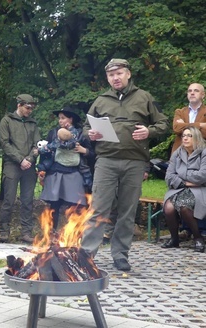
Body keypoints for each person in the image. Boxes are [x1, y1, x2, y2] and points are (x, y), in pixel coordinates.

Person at [82, 58, 169, 271]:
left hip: (135, 162)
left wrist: (150, 131)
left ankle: (120, 254)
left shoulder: (144, 97)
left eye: (119, 73)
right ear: (107, 78)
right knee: (98, 209)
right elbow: (85, 128)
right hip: (106, 161)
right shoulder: (101, 100)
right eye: (111, 75)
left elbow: (164, 123)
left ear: (128, 74)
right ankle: (86, 255)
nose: (115, 77)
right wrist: (90, 134)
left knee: (127, 211)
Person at [38, 107, 94, 230]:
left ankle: (73, 235)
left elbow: (93, 154)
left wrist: (84, 151)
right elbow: (45, 153)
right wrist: (42, 170)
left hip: (74, 173)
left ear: (71, 119)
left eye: (63, 118)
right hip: (55, 172)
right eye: (59, 118)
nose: (60, 121)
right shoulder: (53, 133)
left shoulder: (81, 134)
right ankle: (52, 234)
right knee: (54, 205)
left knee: (75, 206)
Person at [0, 94, 41, 244]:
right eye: (28, 107)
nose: (30, 110)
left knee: (27, 200)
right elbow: (4, 143)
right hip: (12, 164)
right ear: (19, 105)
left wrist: (29, 159)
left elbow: (38, 144)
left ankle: (26, 232)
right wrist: (20, 159)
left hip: (29, 166)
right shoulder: (7, 120)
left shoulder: (33, 123)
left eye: (32, 108)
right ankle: (4, 231)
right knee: (8, 200)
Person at [161, 127, 206, 252]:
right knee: (168, 208)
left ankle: (198, 238)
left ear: (196, 137)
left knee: (184, 207)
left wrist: (181, 174)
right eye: (183, 135)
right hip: (179, 187)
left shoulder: (204, 153)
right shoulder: (177, 153)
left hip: (200, 190)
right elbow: (169, 176)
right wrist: (185, 181)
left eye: (189, 136)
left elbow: (202, 176)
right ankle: (174, 239)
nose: (185, 138)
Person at [171, 83, 206, 154]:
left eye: (196, 91)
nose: (192, 93)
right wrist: (200, 125)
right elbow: (177, 128)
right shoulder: (179, 112)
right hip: (179, 154)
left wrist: (184, 125)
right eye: (190, 91)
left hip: (201, 154)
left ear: (203, 95)